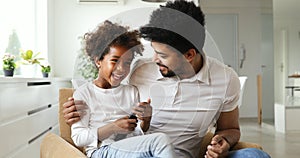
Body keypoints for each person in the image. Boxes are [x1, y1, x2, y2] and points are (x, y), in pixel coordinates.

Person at [64, 1, 271, 158]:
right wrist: (74, 107)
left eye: (162, 55)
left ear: (189, 55)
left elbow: (231, 129)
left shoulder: (225, 79)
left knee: (255, 155)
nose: (154, 60)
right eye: (154, 51)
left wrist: (223, 140)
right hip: (142, 153)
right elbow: (108, 92)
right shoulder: (140, 70)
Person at [71, 20, 175, 158]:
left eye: (127, 63)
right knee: (161, 141)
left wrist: (145, 121)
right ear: (98, 61)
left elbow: (135, 133)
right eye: (115, 61)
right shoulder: (84, 93)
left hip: (129, 150)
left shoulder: (131, 91)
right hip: (101, 151)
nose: (121, 69)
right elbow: (78, 138)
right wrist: (113, 127)